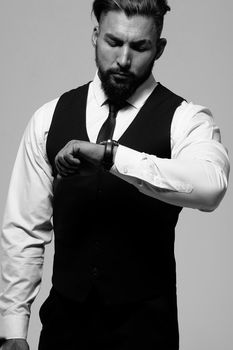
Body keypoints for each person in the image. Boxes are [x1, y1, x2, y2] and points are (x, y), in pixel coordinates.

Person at [0, 0, 230, 349]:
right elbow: (23, 230)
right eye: (113, 42)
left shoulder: (186, 119)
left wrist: (111, 155)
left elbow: (211, 187)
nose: (123, 59)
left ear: (159, 48)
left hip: (148, 332)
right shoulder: (48, 119)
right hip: (63, 331)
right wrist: (13, 329)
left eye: (139, 47)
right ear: (95, 36)